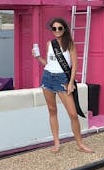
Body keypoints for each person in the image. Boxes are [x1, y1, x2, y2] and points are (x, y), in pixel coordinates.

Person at [33, 17, 93, 154]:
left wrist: (71, 83)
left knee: (73, 114)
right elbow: (48, 64)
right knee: (52, 111)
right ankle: (56, 143)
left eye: (60, 28)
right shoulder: (50, 44)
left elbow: (75, 65)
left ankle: (79, 143)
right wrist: (37, 57)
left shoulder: (70, 44)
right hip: (48, 78)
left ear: (64, 29)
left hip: (62, 80)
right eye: (54, 28)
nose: (57, 31)